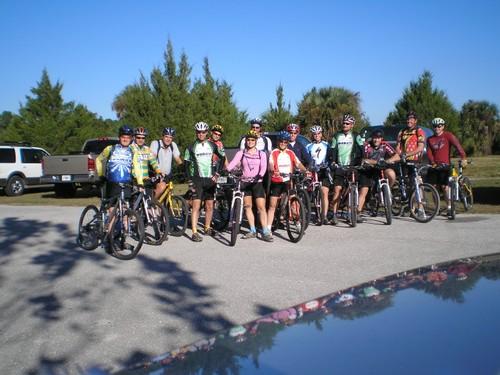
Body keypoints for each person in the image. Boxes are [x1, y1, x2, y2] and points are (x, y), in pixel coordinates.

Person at [226, 130, 272, 242]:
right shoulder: (241, 153)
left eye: (252, 140)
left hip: (257, 183)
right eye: (248, 140)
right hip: (245, 182)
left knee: (261, 207)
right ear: (245, 141)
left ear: (256, 141)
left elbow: (264, 167)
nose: (250, 142)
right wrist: (226, 170)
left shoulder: (261, 154)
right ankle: (252, 230)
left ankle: (265, 231)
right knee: (247, 206)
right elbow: (233, 163)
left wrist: (259, 175)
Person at [184, 121, 226, 242]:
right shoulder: (191, 146)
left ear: (207, 133)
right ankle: (194, 231)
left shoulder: (212, 145)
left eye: (203, 132)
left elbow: (222, 157)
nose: (201, 134)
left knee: (209, 205)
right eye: (198, 132)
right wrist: (189, 180)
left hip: (210, 179)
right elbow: (186, 165)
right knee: (196, 206)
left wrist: (217, 173)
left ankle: (207, 227)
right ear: (196, 133)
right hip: (197, 179)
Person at [266, 131, 307, 238]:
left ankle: (297, 223)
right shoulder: (274, 152)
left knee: (294, 202)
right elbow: (271, 163)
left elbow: (298, 163)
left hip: (288, 180)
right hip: (277, 180)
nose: (283, 143)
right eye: (281, 141)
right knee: (272, 205)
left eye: (285, 142)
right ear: (278, 142)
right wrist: (273, 170)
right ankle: (268, 229)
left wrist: (305, 170)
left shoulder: (290, 152)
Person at [426, 117, 467, 217]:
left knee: (445, 187)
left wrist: (463, 157)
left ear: (443, 126)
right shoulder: (430, 139)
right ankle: (437, 207)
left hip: (446, 165)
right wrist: (432, 162)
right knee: (433, 187)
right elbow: (429, 153)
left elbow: (458, 146)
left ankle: (449, 207)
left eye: (439, 126)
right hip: (435, 165)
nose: (437, 128)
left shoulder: (448, 136)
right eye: (435, 126)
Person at [329, 114, 364, 224]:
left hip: (352, 166)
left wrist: (363, 160)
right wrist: (333, 161)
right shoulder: (336, 136)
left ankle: (350, 213)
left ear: (352, 125)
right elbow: (333, 150)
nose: (344, 125)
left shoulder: (356, 136)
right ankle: (334, 214)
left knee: (351, 189)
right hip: (339, 166)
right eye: (343, 123)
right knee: (337, 190)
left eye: (347, 123)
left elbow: (362, 149)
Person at [357, 129, 400, 218]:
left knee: (391, 173)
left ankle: (387, 191)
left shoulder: (384, 145)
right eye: (374, 138)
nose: (376, 140)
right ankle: (358, 212)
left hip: (381, 169)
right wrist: (376, 162)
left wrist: (388, 160)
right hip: (369, 170)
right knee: (364, 190)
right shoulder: (367, 145)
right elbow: (364, 159)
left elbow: (396, 156)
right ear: (372, 138)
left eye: (378, 138)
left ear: (381, 138)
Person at [96, 125, 142, 202]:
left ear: (131, 139)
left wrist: (140, 183)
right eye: (123, 137)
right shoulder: (110, 149)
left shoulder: (133, 152)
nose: (125, 139)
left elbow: (137, 167)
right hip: (112, 183)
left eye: (128, 137)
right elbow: (98, 160)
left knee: (126, 209)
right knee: (112, 208)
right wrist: (100, 175)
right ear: (119, 137)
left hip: (127, 184)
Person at [306, 125, 333, 225]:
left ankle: (324, 216)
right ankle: (316, 211)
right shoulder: (308, 146)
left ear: (321, 134)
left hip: (324, 170)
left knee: (324, 192)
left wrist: (329, 165)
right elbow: (306, 159)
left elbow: (330, 157)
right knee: (313, 191)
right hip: (314, 171)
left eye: (318, 133)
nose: (317, 135)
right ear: (312, 135)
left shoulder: (327, 145)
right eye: (314, 134)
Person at [150, 127, 183, 199]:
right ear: (162, 136)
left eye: (170, 137)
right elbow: (152, 158)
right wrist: (158, 171)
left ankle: (162, 208)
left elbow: (177, 159)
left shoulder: (173, 145)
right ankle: (151, 203)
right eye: (166, 137)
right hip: (155, 174)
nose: (168, 139)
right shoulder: (155, 143)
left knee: (170, 193)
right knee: (162, 187)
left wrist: (183, 168)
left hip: (167, 176)